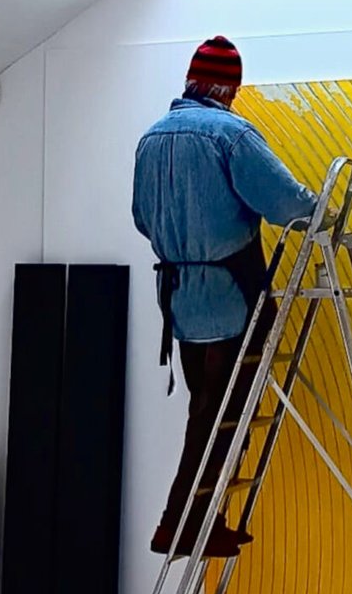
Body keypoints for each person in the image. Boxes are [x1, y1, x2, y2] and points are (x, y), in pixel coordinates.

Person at [132, 36, 319, 559]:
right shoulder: (230, 136)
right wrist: (321, 210)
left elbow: (142, 219)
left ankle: (201, 520)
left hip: (181, 303)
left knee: (206, 413)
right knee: (219, 420)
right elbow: (286, 205)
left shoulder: (150, 139)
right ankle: (178, 523)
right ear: (227, 90)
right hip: (234, 299)